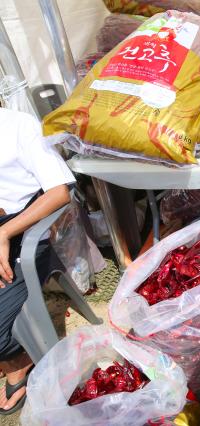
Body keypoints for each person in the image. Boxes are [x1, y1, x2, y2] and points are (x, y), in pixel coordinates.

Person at [0, 107, 74, 415]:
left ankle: (18, 360)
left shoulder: (18, 125)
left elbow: (59, 192)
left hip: (21, 229)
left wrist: (4, 232)